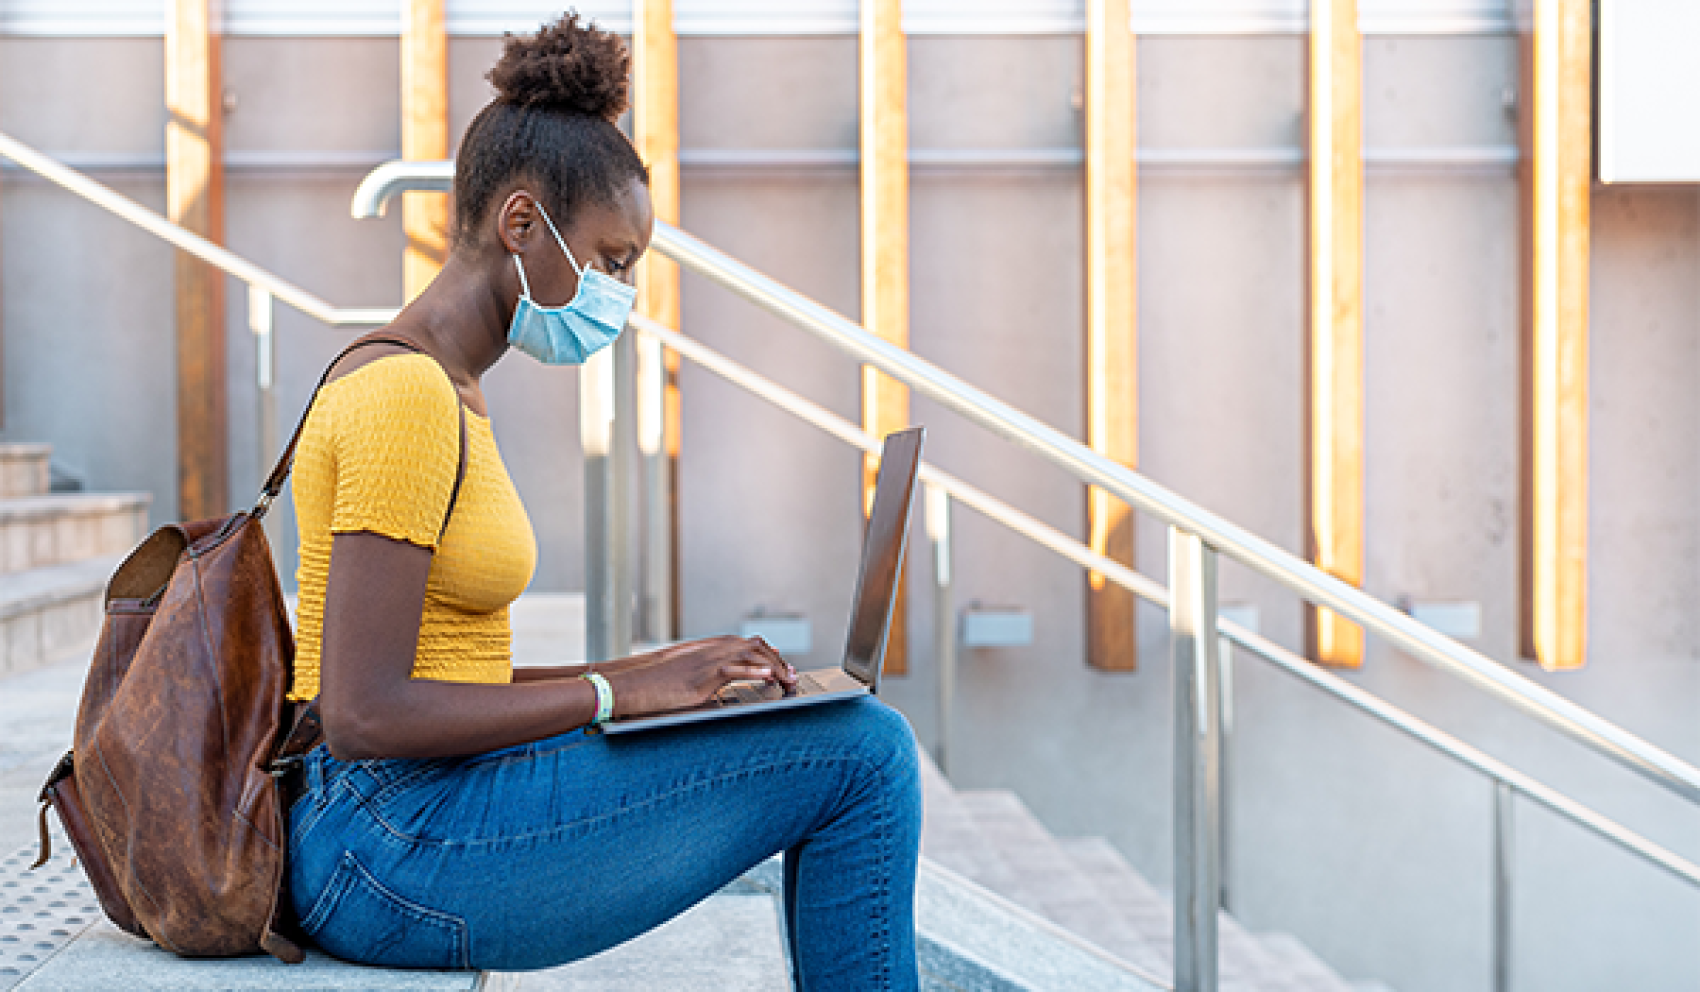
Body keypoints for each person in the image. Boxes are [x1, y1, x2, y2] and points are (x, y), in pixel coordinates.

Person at [283, 14, 922, 989]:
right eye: (614, 258)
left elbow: (452, 671)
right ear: (522, 224)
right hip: (385, 841)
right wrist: (618, 695)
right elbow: (363, 712)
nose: (622, 290)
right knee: (865, 755)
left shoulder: (448, 388)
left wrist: (667, 669)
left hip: (413, 815)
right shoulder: (402, 395)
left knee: (852, 744)